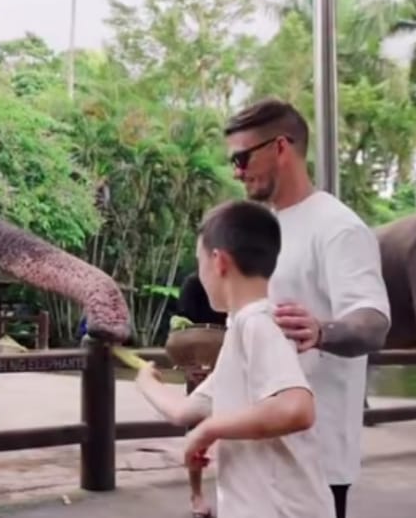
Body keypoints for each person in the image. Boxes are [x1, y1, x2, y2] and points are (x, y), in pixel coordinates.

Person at [223, 97, 391, 518]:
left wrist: (321, 332)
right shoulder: (265, 230)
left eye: (242, 158)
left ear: (281, 147)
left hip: (315, 462)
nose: (236, 171)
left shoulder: (338, 228)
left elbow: (373, 322)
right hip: (259, 454)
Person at [136, 199, 334, 518]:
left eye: (199, 262)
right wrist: (146, 381)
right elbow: (186, 410)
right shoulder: (243, 330)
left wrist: (209, 430)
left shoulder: (258, 323)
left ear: (219, 262)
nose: (199, 274)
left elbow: (296, 408)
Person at [167, 272, 225, 518]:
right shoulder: (194, 283)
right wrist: (188, 366)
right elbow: (182, 330)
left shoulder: (240, 276)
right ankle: (196, 493)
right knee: (196, 430)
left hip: (234, 360)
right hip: (200, 363)